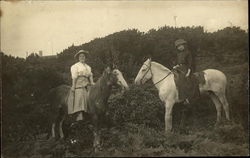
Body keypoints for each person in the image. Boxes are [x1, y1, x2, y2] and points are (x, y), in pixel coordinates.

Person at [69, 49, 95, 121]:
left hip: (87, 83)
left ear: (85, 57)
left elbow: (90, 76)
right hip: (79, 83)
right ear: (78, 57)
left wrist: (92, 82)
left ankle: (91, 111)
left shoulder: (88, 67)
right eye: (80, 56)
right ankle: (79, 113)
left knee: (92, 95)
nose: (82, 57)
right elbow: (74, 77)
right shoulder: (75, 66)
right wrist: (73, 86)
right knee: (80, 93)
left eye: (83, 56)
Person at [172, 39, 199, 104]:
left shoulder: (188, 52)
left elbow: (190, 63)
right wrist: (176, 66)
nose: (180, 47)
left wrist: (188, 72)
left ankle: (186, 98)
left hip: (186, 68)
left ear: (183, 45)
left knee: (182, 80)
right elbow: (179, 63)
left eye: (181, 45)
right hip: (179, 68)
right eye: (178, 46)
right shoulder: (178, 54)